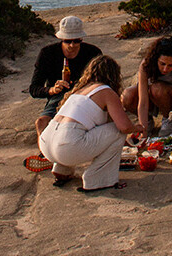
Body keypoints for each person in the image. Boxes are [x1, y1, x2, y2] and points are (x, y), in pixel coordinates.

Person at [39, 55, 139, 192]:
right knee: (118, 131)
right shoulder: (107, 92)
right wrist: (138, 127)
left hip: (46, 144)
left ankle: (62, 169)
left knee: (75, 134)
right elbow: (124, 127)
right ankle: (97, 179)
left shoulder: (78, 91)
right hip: (66, 147)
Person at [29, 16, 102, 150]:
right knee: (41, 122)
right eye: (68, 41)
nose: (72, 45)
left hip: (85, 97)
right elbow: (34, 89)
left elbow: (103, 83)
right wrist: (52, 90)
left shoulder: (93, 53)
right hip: (59, 97)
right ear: (61, 39)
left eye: (76, 41)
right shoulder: (47, 54)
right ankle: (45, 154)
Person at [121, 36, 172, 137]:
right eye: (162, 64)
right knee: (127, 95)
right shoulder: (146, 65)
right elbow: (143, 101)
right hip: (150, 98)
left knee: (157, 89)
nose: (165, 69)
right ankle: (148, 121)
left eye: (170, 65)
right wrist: (143, 126)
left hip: (169, 98)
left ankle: (168, 119)